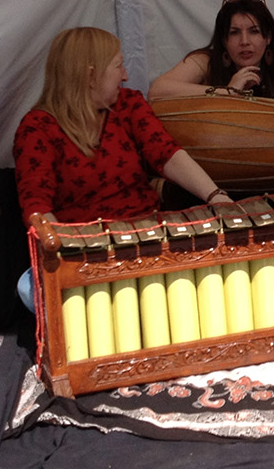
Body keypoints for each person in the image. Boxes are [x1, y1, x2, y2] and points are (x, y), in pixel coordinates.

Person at [13, 27, 229, 305]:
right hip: (83, 253)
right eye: (118, 66)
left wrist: (215, 196)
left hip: (146, 239)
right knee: (28, 288)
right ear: (91, 75)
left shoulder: (128, 104)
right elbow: (37, 209)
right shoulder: (37, 128)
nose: (125, 75)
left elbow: (166, 153)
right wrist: (73, 260)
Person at [149, 0, 274, 102]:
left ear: (268, 37)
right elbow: (157, 92)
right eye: (234, 33)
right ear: (223, 39)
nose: (244, 41)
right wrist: (227, 92)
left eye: (254, 31)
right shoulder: (204, 62)